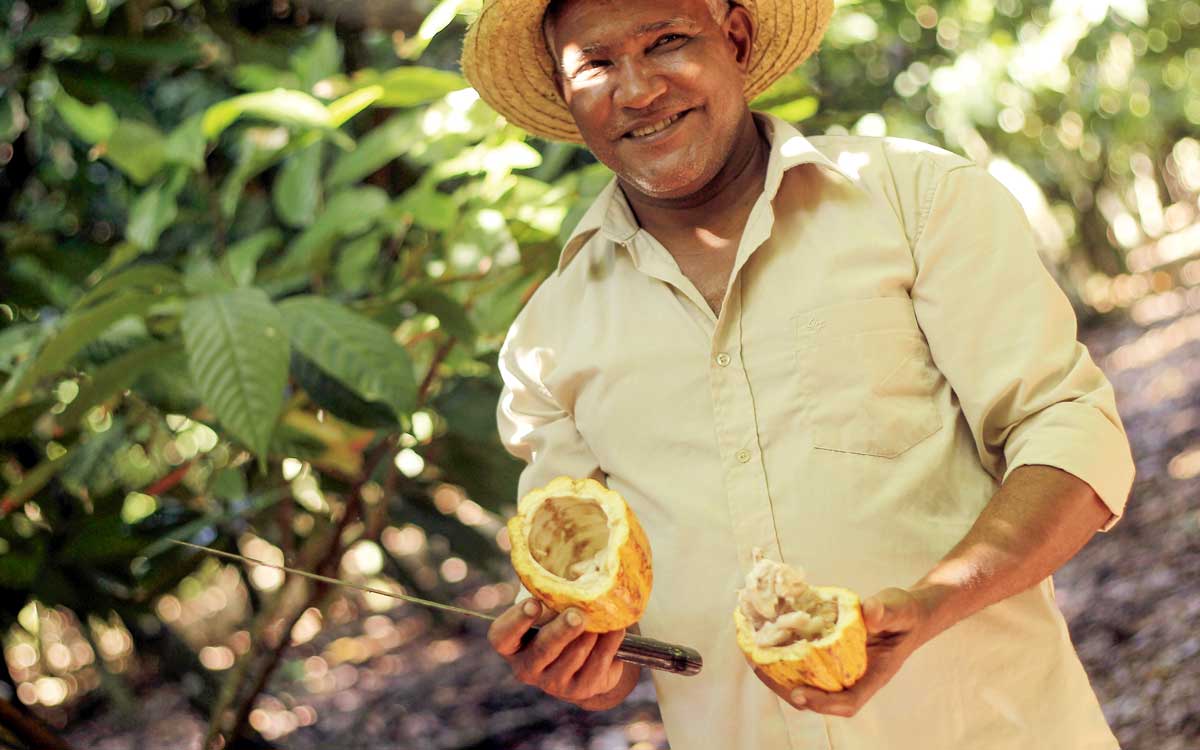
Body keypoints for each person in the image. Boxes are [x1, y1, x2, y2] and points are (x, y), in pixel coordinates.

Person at [461, 0, 1136, 747]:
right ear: (564, 92)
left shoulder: (913, 199)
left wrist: (935, 602)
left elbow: (1069, 430)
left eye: (668, 41)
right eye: (596, 64)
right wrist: (580, 664)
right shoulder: (549, 339)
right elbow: (609, 628)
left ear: (737, 38)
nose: (639, 90)